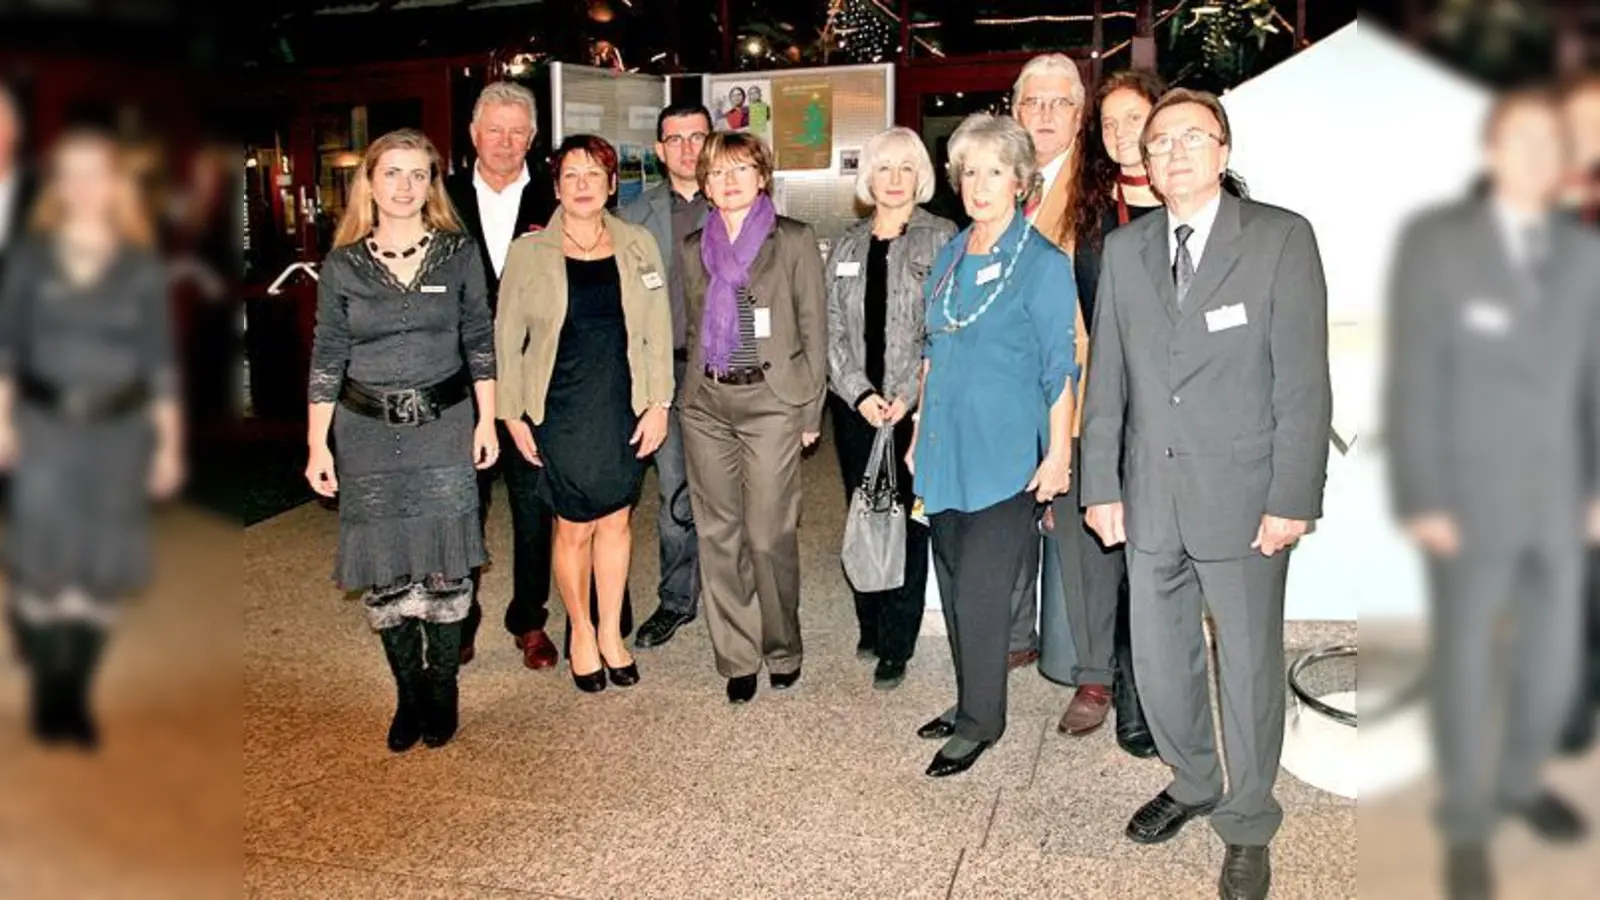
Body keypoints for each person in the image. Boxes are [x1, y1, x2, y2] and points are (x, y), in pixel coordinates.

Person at [1080, 88, 1331, 900]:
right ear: (1144, 167)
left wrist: (1293, 495)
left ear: (1223, 152)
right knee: (1160, 663)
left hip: (1246, 498)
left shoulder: (1280, 239)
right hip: (1150, 496)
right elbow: (1107, 380)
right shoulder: (1126, 253)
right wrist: (1101, 485)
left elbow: (1302, 384)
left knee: (1250, 669)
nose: (1175, 152)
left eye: (1194, 138)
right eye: (1160, 143)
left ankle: (1249, 819)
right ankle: (1193, 782)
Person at [1386, 86, 1600, 900]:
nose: (1538, 160)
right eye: (1522, 144)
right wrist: (1424, 496)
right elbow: (1416, 380)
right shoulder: (1438, 246)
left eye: (1552, 147)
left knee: (1550, 664)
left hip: (1564, 499)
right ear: (1491, 154)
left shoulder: (1586, 257)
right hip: (1467, 501)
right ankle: (1469, 821)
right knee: (1469, 664)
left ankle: (1519, 781)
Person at [305, 128, 498, 752]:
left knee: (445, 570)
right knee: (388, 573)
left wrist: (486, 420)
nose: (405, 186)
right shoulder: (343, 265)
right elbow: (327, 358)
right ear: (369, 182)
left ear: (432, 184)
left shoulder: (458, 254)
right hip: (365, 437)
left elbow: (480, 343)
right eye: (392, 173)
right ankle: (408, 695)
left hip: (445, 430)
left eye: (419, 174)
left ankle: (442, 690)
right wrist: (318, 445)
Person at [0, 126, 183, 749]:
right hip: (46, 429)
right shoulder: (31, 257)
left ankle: (73, 686)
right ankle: (51, 678)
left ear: (113, 184)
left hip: (120, 434)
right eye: (71, 174)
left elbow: (160, 363)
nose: (84, 186)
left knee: (101, 571)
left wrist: (168, 445)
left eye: (95, 173)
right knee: (48, 566)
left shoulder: (138, 263)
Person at [908, 113, 1078, 777]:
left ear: (1020, 182)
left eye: (994, 172)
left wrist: (1058, 454)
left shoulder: (1040, 263)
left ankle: (983, 720)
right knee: (950, 582)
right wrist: (920, 432)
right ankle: (969, 697)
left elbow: (1058, 367)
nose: (979, 185)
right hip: (946, 447)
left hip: (1007, 455)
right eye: (969, 172)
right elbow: (931, 350)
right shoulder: (951, 254)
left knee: (981, 590)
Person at [444, 80, 632, 670]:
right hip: (457, 380)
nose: (505, 141)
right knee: (461, 507)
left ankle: (530, 619)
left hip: (543, 384)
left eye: (517, 131)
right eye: (494, 130)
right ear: (474, 135)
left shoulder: (559, 201)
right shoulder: (441, 199)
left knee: (535, 508)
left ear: (532, 139)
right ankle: (462, 616)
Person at [495, 134, 673, 692]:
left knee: (617, 520)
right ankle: (580, 631)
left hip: (623, 400)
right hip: (559, 406)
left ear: (612, 183)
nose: (582, 185)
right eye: (571, 175)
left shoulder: (639, 243)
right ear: (556, 186)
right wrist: (513, 415)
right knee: (574, 525)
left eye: (594, 174)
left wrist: (659, 402)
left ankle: (612, 634)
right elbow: (508, 340)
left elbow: (657, 331)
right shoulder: (528, 252)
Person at [1040, 67, 1167, 756]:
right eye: (1109, 123)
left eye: (1134, 120)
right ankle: (1097, 677)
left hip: (1178, 420)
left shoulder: (1199, 200)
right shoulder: (1083, 211)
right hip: (1100, 405)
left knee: (1155, 557)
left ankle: (1142, 689)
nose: (1121, 135)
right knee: (1093, 554)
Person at [678, 131, 827, 704]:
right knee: (720, 535)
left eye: (741, 169)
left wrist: (809, 409)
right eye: (717, 172)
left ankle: (782, 647)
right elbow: (693, 326)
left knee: (768, 534)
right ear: (706, 184)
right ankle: (737, 655)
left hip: (772, 403)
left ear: (762, 176)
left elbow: (813, 328)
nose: (729, 181)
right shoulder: (693, 247)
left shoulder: (793, 240)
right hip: (707, 404)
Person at [825, 126, 955, 690]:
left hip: (914, 408)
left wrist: (905, 396)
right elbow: (830, 328)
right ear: (868, 177)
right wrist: (858, 391)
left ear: (919, 176)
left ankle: (897, 641)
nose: (895, 180)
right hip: (855, 406)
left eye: (906, 169)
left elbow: (943, 327)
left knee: (906, 519)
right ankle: (870, 619)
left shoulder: (943, 237)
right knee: (864, 510)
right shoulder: (848, 243)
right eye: (884, 168)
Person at [1005, 52, 1089, 672]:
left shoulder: (1099, 187)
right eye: (1033, 102)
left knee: (1076, 537)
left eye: (1059, 102)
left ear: (1080, 115)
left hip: (1075, 389)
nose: (1045, 114)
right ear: (1014, 111)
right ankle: (1012, 638)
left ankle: (1086, 666)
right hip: (1006, 393)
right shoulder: (999, 180)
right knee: (1007, 523)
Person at [618, 102, 712, 649]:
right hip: (664, 375)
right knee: (675, 495)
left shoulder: (740, 201)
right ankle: (677, 599)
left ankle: (733, 599)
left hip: (727, 375)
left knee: (734, 495)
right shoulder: (631, 217)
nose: (686, 149)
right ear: (658, 150)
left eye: (696, 137)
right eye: (674, 139)